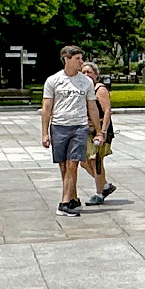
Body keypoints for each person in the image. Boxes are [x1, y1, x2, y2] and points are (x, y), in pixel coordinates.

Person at [40, 47, 99, 217]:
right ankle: (72, 197)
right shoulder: (53, 80)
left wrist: (98, 130)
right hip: (59, 126)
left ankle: (64, 203)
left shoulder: (86, 82)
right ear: (67, 59)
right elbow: (47, 107)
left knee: (73, 163)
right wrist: (45, 133)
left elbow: (92, 107)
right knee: (64, 166)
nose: (81, 62)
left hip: (79, 126)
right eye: (78, 58)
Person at [82, 62, 119, 204]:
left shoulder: (100, 90)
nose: (86, 75)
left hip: (100, 131)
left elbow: (107, 111)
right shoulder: (86, 89)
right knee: (84, 162)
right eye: (83, 72)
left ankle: (99, 193)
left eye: (89, 72)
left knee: (95, 160)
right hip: (88, 130)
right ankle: (105, 185)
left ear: (96, 74)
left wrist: (102, 131)